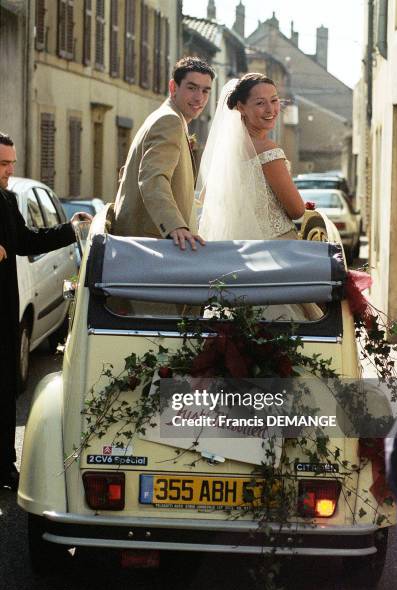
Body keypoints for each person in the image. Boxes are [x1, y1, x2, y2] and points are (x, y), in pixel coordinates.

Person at [0, 132, 92, 490]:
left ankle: (5, 466)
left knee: (7, 390)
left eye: (11, 163)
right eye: (2, 164)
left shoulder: (8, 200)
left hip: (6, 312)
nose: (8, 170)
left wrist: (70, 230)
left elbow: (25, 242)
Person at [198, 74, 321, 321]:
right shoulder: (268, 153)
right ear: (241, 107)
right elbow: (296, 210)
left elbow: (207, 198)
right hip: (275, 252)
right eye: (260, 103)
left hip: (236, 256)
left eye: (274, 100)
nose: (270, 109)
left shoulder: (225, 157)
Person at [112, 57, 215, 251]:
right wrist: (174, 224)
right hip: (150, 246)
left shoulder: (166, 117)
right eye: (192, 88)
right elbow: (152, 177)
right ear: (173, 87)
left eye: (205, 91)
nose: (199, 98)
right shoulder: (169, 120)